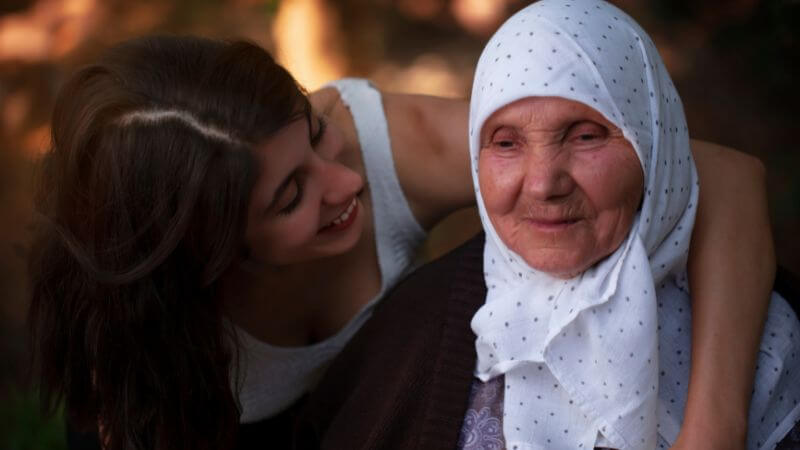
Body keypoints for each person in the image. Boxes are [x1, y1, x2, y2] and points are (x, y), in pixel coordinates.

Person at [27, 31, 777, 450]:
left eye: (317, 135)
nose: (344, 183)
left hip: (412, 416)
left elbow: (722, 176)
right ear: (205, 254)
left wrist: (712, 428)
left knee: (484, 272)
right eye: (293, 195)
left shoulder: (382, 144)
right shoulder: (141, 359)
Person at [293, 1, 800, 449]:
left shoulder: (766, 327)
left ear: (654, 141)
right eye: (507, 143)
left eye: (585, 136)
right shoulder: (411, 338)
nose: (542, 184)